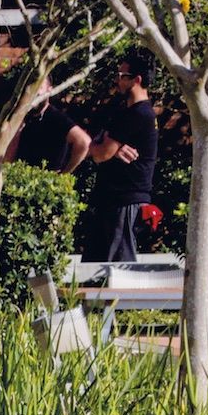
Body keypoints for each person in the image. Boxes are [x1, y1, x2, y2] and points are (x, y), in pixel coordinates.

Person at [85, 55, 160, 263]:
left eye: (121, 76)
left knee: (117, 269)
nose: (117, 80)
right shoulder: (128, 112)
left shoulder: (138, 114)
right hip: (114, 201)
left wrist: (105, 147)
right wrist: (111, 147)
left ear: (136, 80)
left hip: (124, 202)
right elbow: (105, 148)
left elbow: (100, 154)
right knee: (97, 268)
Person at [18, 80, 91, 175]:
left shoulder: (56, 117)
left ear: (49, 90)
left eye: (39, 88)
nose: (35, 93)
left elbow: (83, 142)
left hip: (42, 180)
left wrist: (64, 174)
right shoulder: (24, 115)